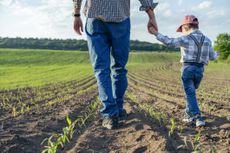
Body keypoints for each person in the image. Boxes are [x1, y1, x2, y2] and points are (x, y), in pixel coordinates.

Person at [72, 0, 158, 129]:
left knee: (101, 69)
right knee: (119, 67)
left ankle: (110, 114)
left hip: (95, 18)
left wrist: (77, 14)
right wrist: (151, 15)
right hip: (120, 19)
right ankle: (117, 108)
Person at [149, 15, 218, 127]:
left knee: (190, 93)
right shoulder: (208, 40)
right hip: (200, 71)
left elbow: (169, 42)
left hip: (187, 69)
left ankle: (197, 117)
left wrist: (156, 33)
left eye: (182, 30)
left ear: (185, 27)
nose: (182, 32)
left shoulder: (186, 38)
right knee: (190, 93)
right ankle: (188, 114)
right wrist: (217, 54)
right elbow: (213, 57)